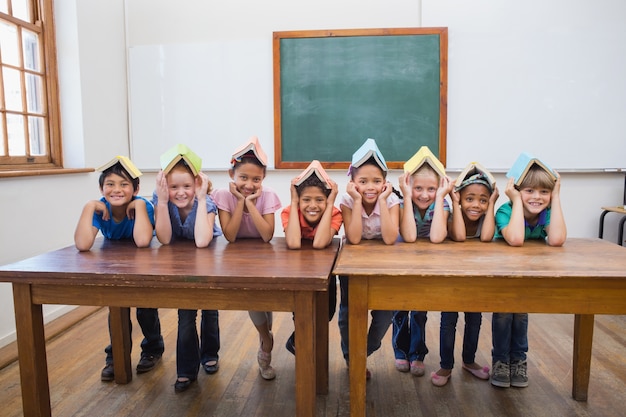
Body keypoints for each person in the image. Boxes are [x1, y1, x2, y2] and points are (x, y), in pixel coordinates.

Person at [74, 157, 164, 382]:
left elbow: (143, 241)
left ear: (136, 189)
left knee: (146, 309)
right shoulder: (99, 209)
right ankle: (115, 356)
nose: (116, 190)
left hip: (143, 264)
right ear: (101, 188)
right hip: (115, 266)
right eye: (110, 184)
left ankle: (153, 347)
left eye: (124, 184)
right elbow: (83, 244)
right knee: (116, 310)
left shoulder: (145, 205)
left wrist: (140, 206)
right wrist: (88, 207)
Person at [212, 137, 282, 380]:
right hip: (236, 258)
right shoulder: (222, 195)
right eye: (243, 178)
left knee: (266, 304)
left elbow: (266, 235)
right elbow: (230, 236)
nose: (249, 184)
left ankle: (266, 341)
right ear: (232, 174)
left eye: (256, 179)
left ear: (263, 179)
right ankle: (265, 340)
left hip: (264, 257)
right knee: (253, 299)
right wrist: (239, 201)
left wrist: (249, 203)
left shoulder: (268, 195)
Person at [491, 164, 566, 389]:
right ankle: (501, 360)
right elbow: (515, 239)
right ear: (516, 190)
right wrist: (515, 201)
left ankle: (518, 359)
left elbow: (556, 239)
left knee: (521, 314)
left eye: (544, 192)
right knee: (504, 314)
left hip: (526, 274)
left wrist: (557, 197)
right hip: (503, 273)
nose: (537, 197)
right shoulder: (505, 211)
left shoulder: (547, 213)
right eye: (529, 191)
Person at [152, 155, 222, 393]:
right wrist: (162, 203)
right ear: (164, 186)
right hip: (179, 263)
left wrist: (201, 198)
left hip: (207, 261)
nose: (180, 193)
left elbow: (202, 241)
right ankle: (186, 370)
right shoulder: (162, 201)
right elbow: (164, 238)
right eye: (173, 187)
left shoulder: (207, 202)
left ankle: (210, 353)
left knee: (210, 310)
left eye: (187, 186)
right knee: (185, 314)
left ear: (197, 184)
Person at [338, 139, 400, 380]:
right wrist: (355, 201)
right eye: (363, 182)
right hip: (352, 264)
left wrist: (384, 201)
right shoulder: (347, 201)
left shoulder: (392, 201)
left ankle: (361, 353)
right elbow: (353, 238)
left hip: (384, 264)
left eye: (376, 181)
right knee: (347, 313)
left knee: (385, 313)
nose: (370, 187)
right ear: (353, 183)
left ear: (385, 183)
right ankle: (351, 359)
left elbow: (389, 238)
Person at [430, 171, 499, 387]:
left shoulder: (486, 219)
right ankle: (446, 365)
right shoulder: (451, 216)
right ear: (460, 198)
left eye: (483, 200)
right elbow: (459, 236)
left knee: (475, 319)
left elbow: (487, 237)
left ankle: (469, 361)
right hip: (452, 277)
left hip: (475, 278)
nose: (476, 205)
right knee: (448, 321)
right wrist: (454, 201)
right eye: (469, 199)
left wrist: (493, 204)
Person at [393, 163, 452, 376]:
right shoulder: (400, 204)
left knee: (419, 310)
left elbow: (436, 237)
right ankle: (400, 351)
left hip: (425, 263)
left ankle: (417, 353)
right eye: (418, 188)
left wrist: (440, 197)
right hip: (401, 261)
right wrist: (407, 197)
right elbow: (409, 237)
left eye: (431, 189)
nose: (424, 195)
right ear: (408, 186)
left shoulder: (442, 205)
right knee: (399, 309)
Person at [281, 163, 343, 354]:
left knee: (327, 313)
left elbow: (319, 243)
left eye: (320, 200)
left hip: (325, 271)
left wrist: (331, 202)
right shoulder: (289, 212)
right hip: (298, 271)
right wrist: (293, 201)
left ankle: (304, 343)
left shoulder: (334, 213)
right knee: (300, 313)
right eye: (306, 199)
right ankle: (301, 344)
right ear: (298, 200)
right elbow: (293, 242)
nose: (313, 205)